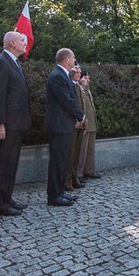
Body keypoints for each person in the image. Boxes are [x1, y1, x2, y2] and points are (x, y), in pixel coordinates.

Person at [0, 31, 31, 217]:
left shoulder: (14, 62)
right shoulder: (1, 61)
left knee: (11, 164)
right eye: (22, 40)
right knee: (5, 164)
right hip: (8, 124)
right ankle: (0, 205)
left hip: (17, 122)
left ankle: (6, 198)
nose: (24, 43)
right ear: (12, 43)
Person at [44, 48, 85, 207]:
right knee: (57, 161)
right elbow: (66, 101)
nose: (74, 60)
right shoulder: (57, 76)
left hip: (64, 125)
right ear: (66, 59)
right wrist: (80, 116)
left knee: (63, 161)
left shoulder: (63, 75)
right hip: (58, 126)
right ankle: (54, 196)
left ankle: (60, 192)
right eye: (73, 57)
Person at [76, 69, 100, 181]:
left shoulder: (87, 89)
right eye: (85, 78)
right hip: (84, 124)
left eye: (88, 78)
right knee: (81, 151)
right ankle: (78, 173)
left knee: (90, 150)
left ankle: (89, 170)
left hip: (91, 123)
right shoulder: (78, 89)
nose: (87, 80)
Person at [66, 65, 86, 192]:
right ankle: (67, 180)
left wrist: (83, 119)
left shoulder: (79, 86)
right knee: (70, 154)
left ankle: (74, 178)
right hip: (73, 123)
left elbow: (83, 105)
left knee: (76, 154)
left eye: (80, 72)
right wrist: (76, 119)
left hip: (80, 122)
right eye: (76, 72)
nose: (78, 74)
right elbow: (71, 104)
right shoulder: (69, 84)